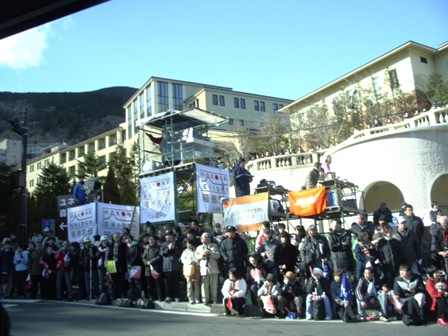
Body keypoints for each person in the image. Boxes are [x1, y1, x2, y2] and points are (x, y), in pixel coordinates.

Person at [195, 232, 220, 304]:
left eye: (205, 237)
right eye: (202, 238)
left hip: (213, 268)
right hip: (203, 269)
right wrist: (202, 254)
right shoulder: (199, 248)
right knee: (204, 285)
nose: (202, 239)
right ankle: (205, 299)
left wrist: (210, 253)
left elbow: (218, 255)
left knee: (214, 285)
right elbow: (196, 257)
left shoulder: (214, 245)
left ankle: (214, 299)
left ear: (209, 238)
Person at [160, 230, 183, 303]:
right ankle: (169, 296)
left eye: (168, 235)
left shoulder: (177, 243)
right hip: (166, 266)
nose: (167, 236)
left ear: (172, 236)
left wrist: (174, 248)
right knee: (168, 283)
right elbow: (161, 253)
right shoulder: (163, 244)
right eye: (166, 235)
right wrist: (168, 248)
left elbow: (180, 253)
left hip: (175, 266)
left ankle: (177, 296)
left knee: (176, 282)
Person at [142, 235, 164, 301]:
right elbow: (143, 257)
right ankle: (151, 297)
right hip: (148, 269)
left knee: (158, 284)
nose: (151, 241)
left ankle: (160, 297)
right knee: (149, 285)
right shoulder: (147, 248)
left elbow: (159, 256)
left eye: (152, 239)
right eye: (149, 239)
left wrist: (151, 261)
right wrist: (146, 262)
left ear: (154, 240)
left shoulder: (158, 247)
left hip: (156, 267)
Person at [107, 233, 127, 299]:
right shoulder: (111, 245)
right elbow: (109, 255)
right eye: (115, 237)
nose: (116, 238)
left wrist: (118, 259)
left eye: (117, 237)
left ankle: (122, 293)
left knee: (121, 279)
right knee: (114, 279)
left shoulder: (123, 245)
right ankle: (115, 294)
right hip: (112, 264)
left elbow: (125, 254)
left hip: (120, 264)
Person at [181, 239, 200, 304]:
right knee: (189, 284)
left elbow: (199, 258)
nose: (188, 245)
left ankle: (197, 298)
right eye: (187, 243)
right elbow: (183, 260)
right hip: (188, 269)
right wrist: (190, 262)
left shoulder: (196, 250)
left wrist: (195, 262)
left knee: (196, 284)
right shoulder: (185, 251)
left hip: (196, 268)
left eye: (189, 243)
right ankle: (190, 298)